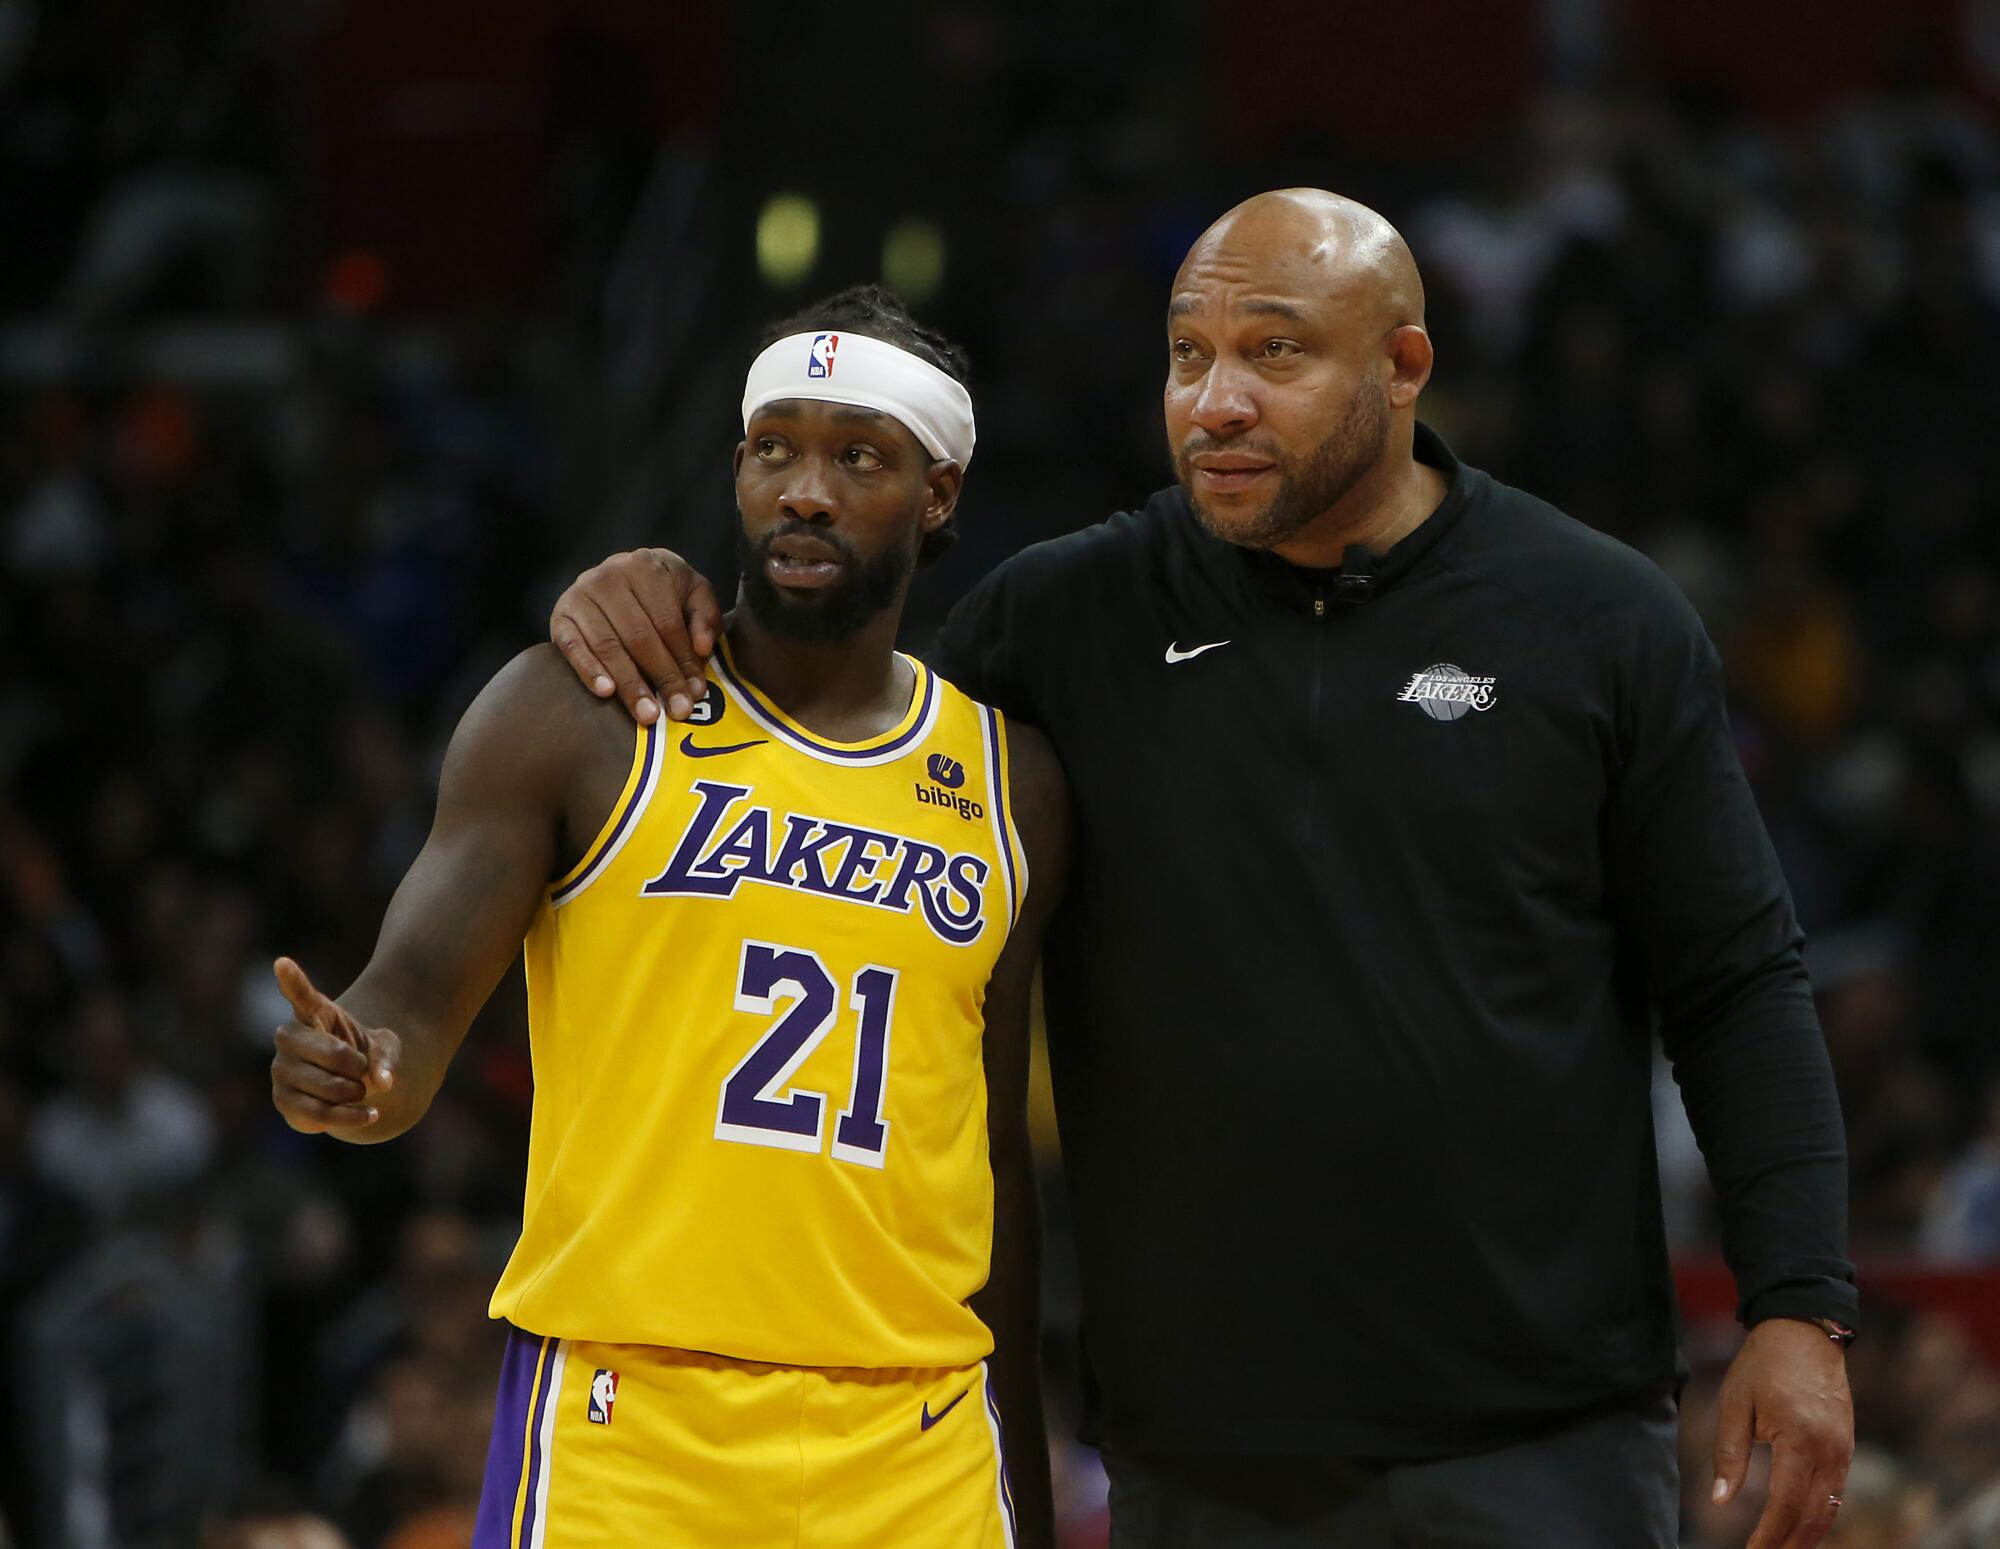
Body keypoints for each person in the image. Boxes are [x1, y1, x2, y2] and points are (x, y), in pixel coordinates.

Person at [547, 191, 1860, 1548]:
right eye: (1188, 356)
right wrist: (650, 589)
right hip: (1202, 1456)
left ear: (1403, 368)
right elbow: (820, 730)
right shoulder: (1057, 620)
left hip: (1542, 1437)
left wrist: (1800, 1306)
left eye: (1275, 354)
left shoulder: (1600, 620)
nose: (1216, 400)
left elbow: (1737, 982)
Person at [271, 285, 1066, 1549]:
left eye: (855, 456)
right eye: (773, 450)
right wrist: (359, 1067)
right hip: (629, 1430)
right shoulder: (579, 710)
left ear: (938, 494)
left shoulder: (1010, 779)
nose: (803, 489)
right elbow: (409, 995)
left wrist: (1016, 1472)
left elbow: (996, 1170)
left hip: (915, 1443)